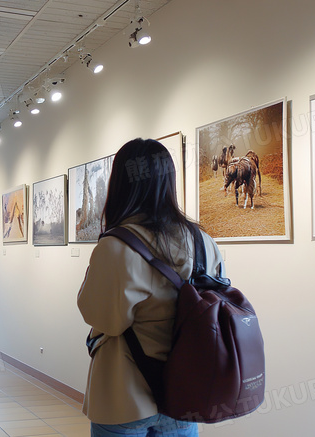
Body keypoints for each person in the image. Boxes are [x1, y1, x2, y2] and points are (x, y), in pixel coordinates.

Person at [77, 138, 224, 437]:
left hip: (125, 393)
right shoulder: (203, 241)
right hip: (185, 390)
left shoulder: (117, 246)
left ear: (120, 183)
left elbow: (105, 319)